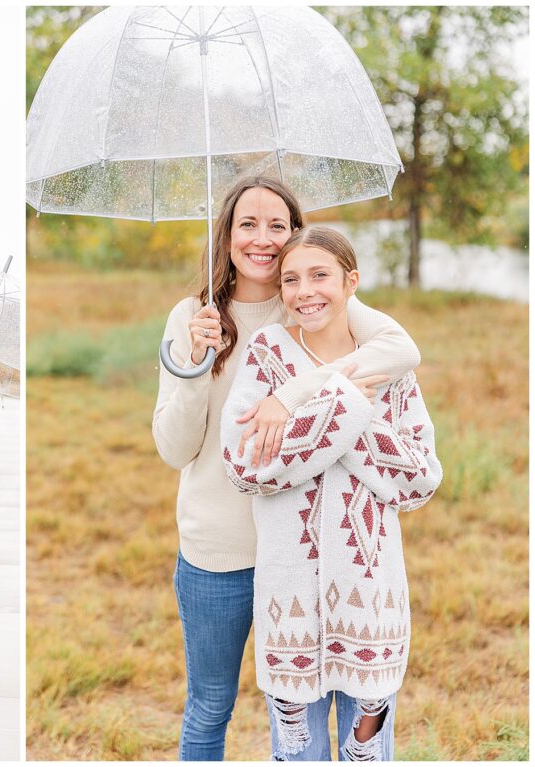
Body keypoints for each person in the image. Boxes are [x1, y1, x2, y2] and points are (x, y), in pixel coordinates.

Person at [152, 177, 421, 760]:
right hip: (219, 549)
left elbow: (400, 351)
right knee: (210, 705)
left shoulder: (308, 296)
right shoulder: (191, 318)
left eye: (278, 225)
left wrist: (293, 392)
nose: (263, 239)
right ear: (225, 235)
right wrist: (197, 363)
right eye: (248, 224)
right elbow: (174, 449)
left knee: (318, 715)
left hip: (309, 551)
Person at [219, 226, 442, 760]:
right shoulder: (267, 353)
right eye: (291, 279)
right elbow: (247, 465)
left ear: (351, 282)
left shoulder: (388, 366)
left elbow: (419, 478)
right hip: (289, 589)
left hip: (369, 588)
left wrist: (330, 409)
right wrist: (342, 406)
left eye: (320, 275)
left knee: (368, 747)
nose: (304, 291)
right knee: (299, 754)